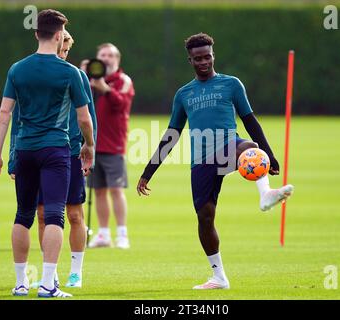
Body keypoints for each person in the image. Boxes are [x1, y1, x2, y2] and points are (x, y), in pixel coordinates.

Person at [137, 33, 294, 290]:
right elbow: (171, 135)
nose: (203, 62)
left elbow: (250, 120)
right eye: (197, 58)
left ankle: (265, 194)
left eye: (207, 56)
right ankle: (219, 276)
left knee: (250, 148)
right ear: (190, 60)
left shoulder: (232, 84)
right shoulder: (183, 94)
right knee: (205, 217)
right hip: (201, 160)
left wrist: (270, 154)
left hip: (228, 146)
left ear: (213, 55)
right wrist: (148, 172)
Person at [0, 9, 95, 298]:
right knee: (53, 216)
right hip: (55, 150)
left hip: (24, 149)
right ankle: (49, 284)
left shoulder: (17, 69)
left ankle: (21, 282)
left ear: (36, 33)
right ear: (60, 35)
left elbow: (4, 114)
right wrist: (89, 145)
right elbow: (85, 119)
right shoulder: (70, 72)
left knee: (23, 215)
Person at [85, 43, 135, 249]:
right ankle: (103, 234)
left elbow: (122, 104)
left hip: (113, 144)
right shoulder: (90, 79)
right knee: (98, 191)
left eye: (110, 55)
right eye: (102, 55)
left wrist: (105, 89)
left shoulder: (122, 80)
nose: (106, 58)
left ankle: (122, 234)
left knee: (116, 189)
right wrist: (83, 75)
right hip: (92, 144)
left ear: (117, 59)